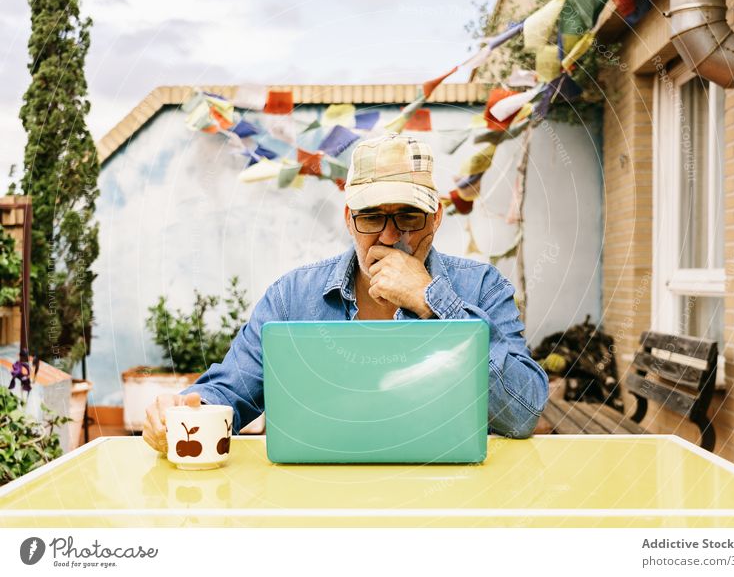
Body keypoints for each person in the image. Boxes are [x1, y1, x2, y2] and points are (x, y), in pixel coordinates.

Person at [143, 134, 549, 453]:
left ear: (436, 217)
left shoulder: (481, 287)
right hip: (317, 496)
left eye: (408, 215)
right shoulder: (292, 297)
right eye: (372, 216)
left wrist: (432, 301)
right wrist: (181, 407)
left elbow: (523, 412)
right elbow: (230, 391)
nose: (390, 236)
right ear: (349, 221)